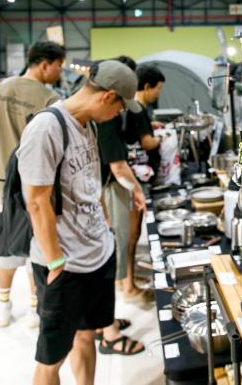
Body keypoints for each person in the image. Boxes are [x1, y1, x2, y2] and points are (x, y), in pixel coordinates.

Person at [17, 60, 144, 384]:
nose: (119, 115)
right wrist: (57, 262)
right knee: (51, 360)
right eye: (120, 107)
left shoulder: (88, 125)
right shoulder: (47, 127)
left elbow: (88, 182)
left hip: (96, 256)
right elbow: (36, 201)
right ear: (108, 96)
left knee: (87, 336)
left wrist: (104, 226)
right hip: (66, 266)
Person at [0, 41, 65, 327]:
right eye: (58, 66)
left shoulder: (1, 89)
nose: (60, 72)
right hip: (37, 182)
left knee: (6, 243)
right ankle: (34, 308)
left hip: (4, 180)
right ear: (45, 64)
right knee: (37, 243)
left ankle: (3, 304)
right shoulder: (49, 98)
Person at [97, 55, 151, 306]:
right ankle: (126, 286)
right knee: (123, 236)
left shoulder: (105, 113)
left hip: (104, 184)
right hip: (109, 183)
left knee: (122, 236)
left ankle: (125, 282)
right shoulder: (105, 118)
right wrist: (137, 190)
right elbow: (117, 166)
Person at [125, 64, 167, 178]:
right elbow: (147, 143)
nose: (159, 93)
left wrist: (150, 125)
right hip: (143, 172)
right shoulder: (138, 110)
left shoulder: (133, 106)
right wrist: (162, 137)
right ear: (147, 86)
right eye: (158, 88)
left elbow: (136, 130)